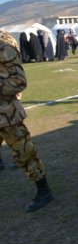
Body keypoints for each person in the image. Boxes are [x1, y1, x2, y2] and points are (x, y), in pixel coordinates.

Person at [0, 30, 54, 212]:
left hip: (6, 115)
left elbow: (19, 81)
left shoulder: (4, 47)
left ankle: (44, 191)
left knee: (25, 153)